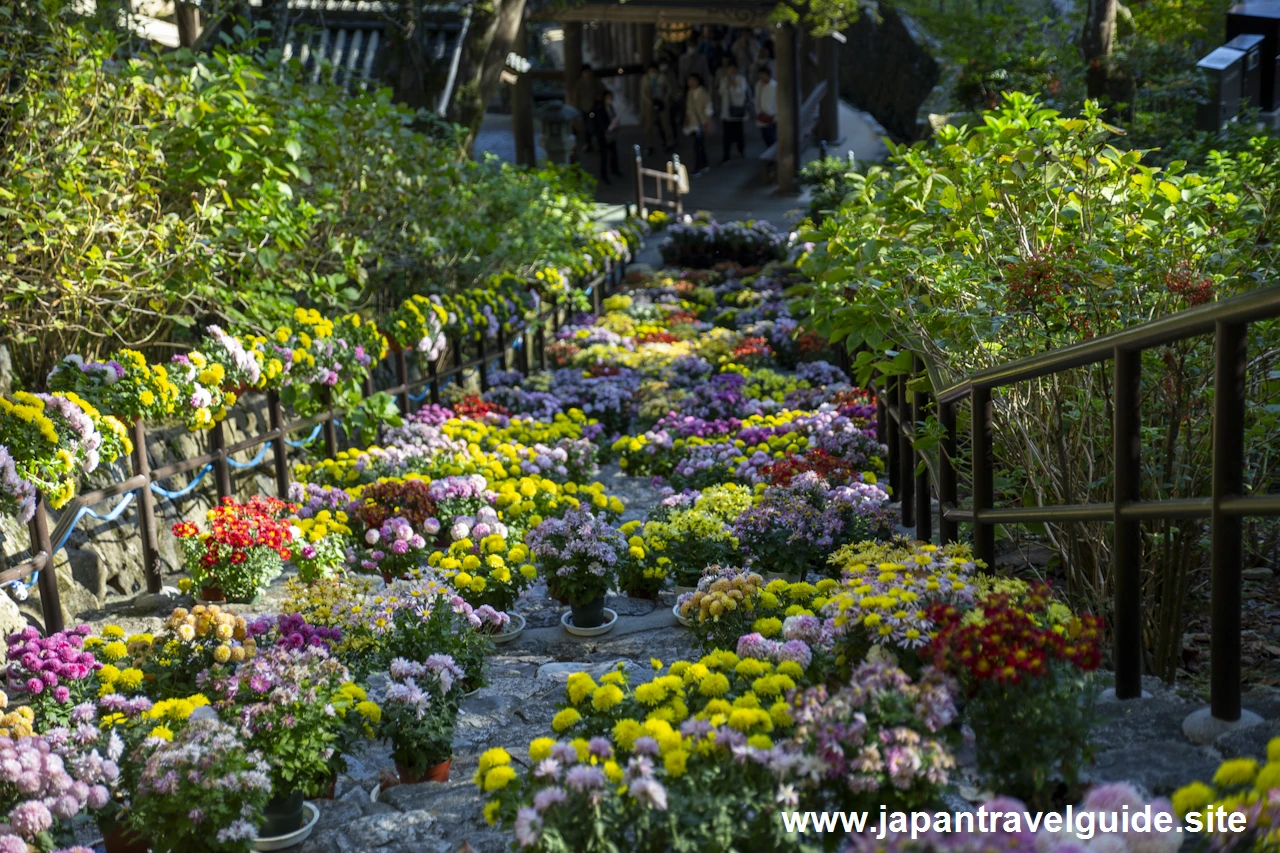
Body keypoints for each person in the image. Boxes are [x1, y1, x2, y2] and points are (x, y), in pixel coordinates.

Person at [718, 58, 749, 162]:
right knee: (726, 135)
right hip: (727, 111)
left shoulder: (741, 79)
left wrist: (735, 87)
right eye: (729, 69)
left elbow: (742, 93)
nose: (731, 71)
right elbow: (720, 92)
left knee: (739, 133)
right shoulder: (724, 79)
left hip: (737, 110)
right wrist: (727, 86)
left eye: (733, 68)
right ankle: (726, 155)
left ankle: (741, 150)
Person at [683, 73, 713, 175]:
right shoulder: (690, 92)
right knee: (699, 145)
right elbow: (688, 107)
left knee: (697, 146)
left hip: (701, 123)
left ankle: (698, 166)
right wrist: (687, 118)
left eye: (692, 80)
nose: (690, 83)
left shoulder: (703, 93)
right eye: (689, 81)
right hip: (693, 122)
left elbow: (708, 109)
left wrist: (708, 123)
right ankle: (704, 164)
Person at [640, 62, 673, 155]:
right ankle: (649, 145)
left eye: (653, 70)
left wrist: (665, 99)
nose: (652, 72)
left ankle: (669, 142)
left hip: (661, 102)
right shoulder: (645, 79)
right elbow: (643, 93)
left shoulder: (662, 77)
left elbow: (669, 89)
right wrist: (648, 101)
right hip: (649, 104)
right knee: (648, 126)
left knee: (665, 123)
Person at [594, 89, 623, 183]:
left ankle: (615, 170)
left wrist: (616, 124)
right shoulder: (600, 108)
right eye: (608, 97)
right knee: (604, 155)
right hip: (603, 135)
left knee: (614, 153)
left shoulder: (610, 107)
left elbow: (613, 117)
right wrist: (608, 127)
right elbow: (601, 122)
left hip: (611, 134)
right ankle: (604, 175)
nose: (610, 99)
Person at [576, 64, 603, 153]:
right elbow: (576, 97)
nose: (587, 74)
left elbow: (602, 91)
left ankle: (598, 145)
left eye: (588, 72)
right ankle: (588, 144)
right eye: (585, 72)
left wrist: (598, 98)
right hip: (584, 108)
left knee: (596, 127)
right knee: (587, 128)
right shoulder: (579, 83)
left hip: (594, 108)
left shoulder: (595, 81)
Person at [755, 64, 778, 149]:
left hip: (772, 116)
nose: (761, 77)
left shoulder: (774, 86)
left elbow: (777, 101)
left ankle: (773, 158)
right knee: (765, 138)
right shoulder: (759, 85)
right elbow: (757, 98)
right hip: (762, 115)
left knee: (771, 138)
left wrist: (775, 115)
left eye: (763, 75)